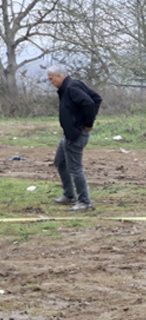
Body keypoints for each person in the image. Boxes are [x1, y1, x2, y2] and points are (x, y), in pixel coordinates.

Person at [47, 64, 102, 211]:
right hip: (69, 134)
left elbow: (91, 102)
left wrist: (87, 124)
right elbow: (97, 98)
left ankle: (84, 202)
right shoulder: (70, 86)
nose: (51, 82)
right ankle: (69, 195)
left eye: (52, 79)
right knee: (60, 162)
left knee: (75, 168)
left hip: (76, 134)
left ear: (59, 76)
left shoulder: (72, 87)